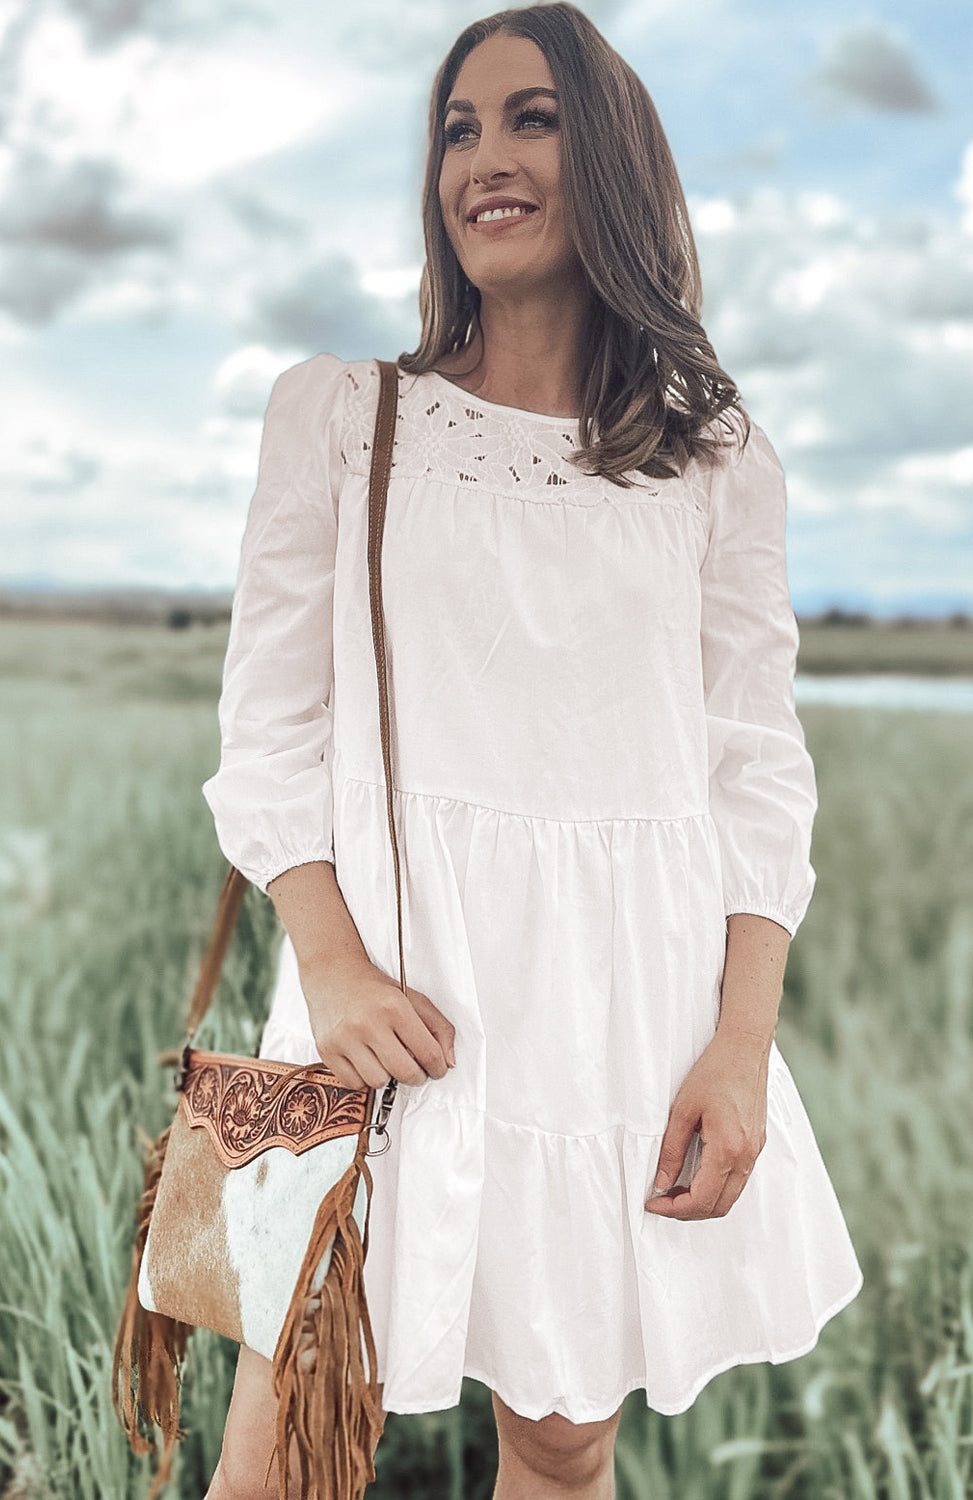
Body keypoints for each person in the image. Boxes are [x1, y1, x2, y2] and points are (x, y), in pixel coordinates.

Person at [200, 4, 864, 1497]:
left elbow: (756, 762)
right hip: (382, 990)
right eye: (458, 128)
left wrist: (740, 1047)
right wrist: (332, 969)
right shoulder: (343, 418)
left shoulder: (714, 459)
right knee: (289, 1432)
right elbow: (268, 727)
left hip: (618, 1005)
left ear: (612, 160)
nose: (481, 159)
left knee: (563, 1447)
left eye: (532, 118)